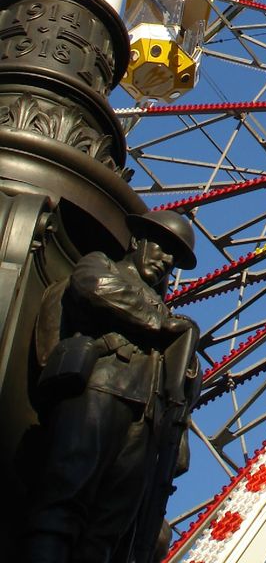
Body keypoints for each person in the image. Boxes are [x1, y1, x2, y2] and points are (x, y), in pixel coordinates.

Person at [24, 210, 200, 563]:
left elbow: (179, 383)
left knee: (110, 525)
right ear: (138, 242)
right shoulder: (100, 266)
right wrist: (160, 323)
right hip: (101, 389)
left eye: (173, 258)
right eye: (163, 249)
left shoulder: (170, 314)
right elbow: (91, 286)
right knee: (67, 494)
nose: (167, 262)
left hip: (146, 416)